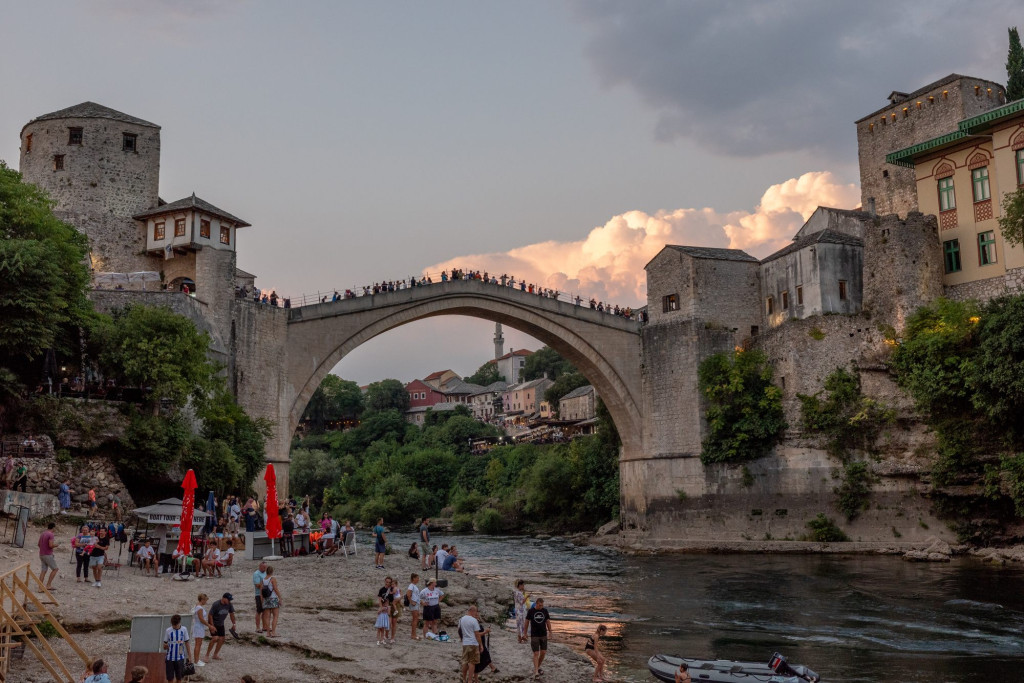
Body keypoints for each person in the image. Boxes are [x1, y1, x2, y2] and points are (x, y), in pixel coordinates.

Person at [459, 604, 488, 683]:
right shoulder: (473, 620)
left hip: (465, 643)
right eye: (476, 612)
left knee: (465, 661)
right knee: (472, 662)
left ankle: (464, 679)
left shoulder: (461, 619)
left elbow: (459, 631)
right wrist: (481, 645)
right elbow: (477, 635)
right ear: (472, 611)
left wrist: (462, 639)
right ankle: (470, 680)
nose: (476, 614)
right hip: (473, 643)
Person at [205, 593, 237, 661]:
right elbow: (210, 615)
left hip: (221, 623)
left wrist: (234, 624)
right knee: (215, 638)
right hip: (213, 623)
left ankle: (215, 654)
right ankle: (207, 655)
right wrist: (212, 626)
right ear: (224, 598)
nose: (229, 601)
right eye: (228, 599)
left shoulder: (229, 604)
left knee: (222, 639)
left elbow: (231, 614)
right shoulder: (216, 604)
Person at [526, 597, 552, 678]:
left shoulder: (545, 611)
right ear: (536, 604)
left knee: (543, 652)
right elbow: (526, 622)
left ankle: (537, 667)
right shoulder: (531, 611)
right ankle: (536, 671)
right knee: (536, 653)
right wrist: (525, 633)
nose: (541, 607)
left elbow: (548, 621)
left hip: (543, 634)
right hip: (534, 635)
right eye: (540, 605)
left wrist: (550, 632)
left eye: (542, 605)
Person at [162, 613, 190, 683]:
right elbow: (164, 644)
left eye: (175, 625)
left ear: (179, 622)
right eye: (173, 625)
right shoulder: (168, 630)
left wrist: (190, 656)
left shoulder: (184, 629)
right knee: (170, 679)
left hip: (180, 658)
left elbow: (187, 642)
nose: (174, 626)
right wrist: (165, 646)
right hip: (170, 658)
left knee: (179, 678)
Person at [262, 565, 282, 637]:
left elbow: (261, 591)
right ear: (272, 571)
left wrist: (262, 600)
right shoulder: (273, 579)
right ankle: (273, 632)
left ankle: (268, 633)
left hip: (266, 599)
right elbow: (275, 589)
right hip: (273, 598)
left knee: (267, 617)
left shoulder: (263, 579)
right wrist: (280, 598)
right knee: (275, 616)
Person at [38, 521, 59, 590]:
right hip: (48, 554)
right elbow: (50, 545)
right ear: (53, 527)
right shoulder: (51, 534)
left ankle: (40, 587)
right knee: (55, 569)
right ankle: (48, 585)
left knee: (43, 570)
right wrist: (56, 545)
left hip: (41, 554)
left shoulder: (43, 533)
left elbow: (39, 544)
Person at [192, 593, 210, 667]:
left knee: (199, 643)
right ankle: (196, 661)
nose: (206, 602)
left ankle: (197, 659)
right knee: (198, 644)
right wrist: (209, 625)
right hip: (199, 627)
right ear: (202, 600)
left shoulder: (197, 606)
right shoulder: (199, 608)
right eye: (205, 600)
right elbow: (201, 619)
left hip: (199, 626)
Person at [252, 561, 268, 632]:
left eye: (266, 567)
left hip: (265, 594)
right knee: (259, 610)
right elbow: (257, 585)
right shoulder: (256, 574)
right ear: (260, 566)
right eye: (264, 567)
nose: (265, 568)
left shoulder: (266, 573)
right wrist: (266, 584)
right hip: (259, 594)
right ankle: (257, 627)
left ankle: (264, 626)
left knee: (265, 611)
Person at [406, 573, 421, 640]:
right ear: (413, 578)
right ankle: (413, 635)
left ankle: (414, 634)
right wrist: (411, 602)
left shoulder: (414, 586)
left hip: (416, 603)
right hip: (414, 604)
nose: (418, 579)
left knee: (416, 619)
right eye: (417, 578)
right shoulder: (411, 586)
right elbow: (408, 594)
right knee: (415, 619)